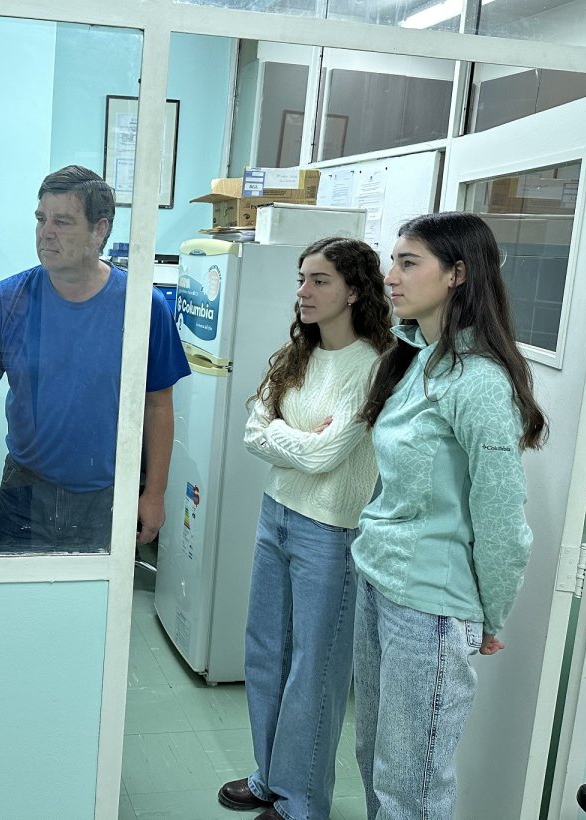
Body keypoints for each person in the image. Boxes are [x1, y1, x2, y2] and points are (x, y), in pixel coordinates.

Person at [352, 211, 547, 819]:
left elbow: (500, 517)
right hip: (381, 579)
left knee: (411, 783)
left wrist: (490, 613)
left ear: (458, 274)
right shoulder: (419, 358)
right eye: (394, 261)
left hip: (432, 604)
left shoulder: (479, 381)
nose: (391, 276)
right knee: (376, 760)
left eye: (409, 263)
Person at [0, 165, 189, 554]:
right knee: (14, 606)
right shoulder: (7, 302)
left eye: (62, 221)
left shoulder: (142, 307)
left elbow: (158, 406)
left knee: (90, 613)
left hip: (106, 497)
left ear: (100, 229)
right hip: (24, 493)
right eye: (41, 219)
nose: (46, 232)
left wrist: (155, 493)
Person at [218, 237, 393, 820]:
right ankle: (271, 777)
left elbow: (327, 457)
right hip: (277, 515)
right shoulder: (298, 354)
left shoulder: (374, 364)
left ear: (353, 290)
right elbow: (253, 432)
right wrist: (300, 438)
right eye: (301, 279)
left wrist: (283, 438)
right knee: (265, 654)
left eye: (318, 281)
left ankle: (302, 802)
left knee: (313, 670)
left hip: (332, 531)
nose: (303, 292)